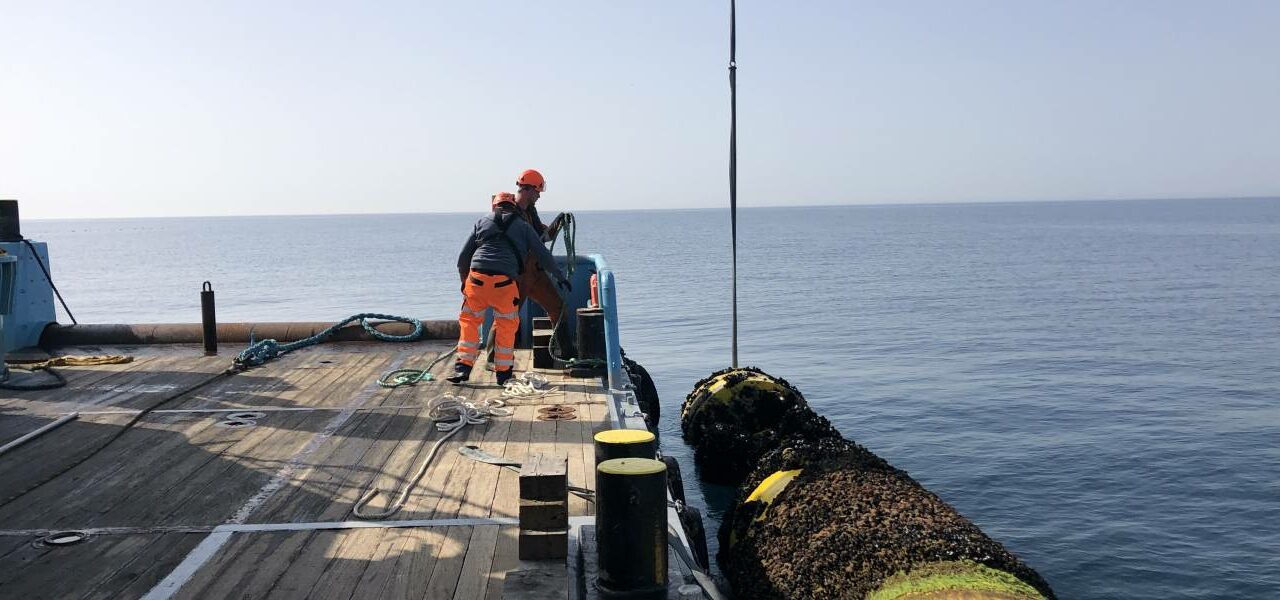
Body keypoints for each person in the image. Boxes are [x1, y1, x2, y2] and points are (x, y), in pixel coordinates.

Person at [449, 192, 569, 385]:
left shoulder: (481, 222)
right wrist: (560, 276)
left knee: (469, 324)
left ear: (495, 206)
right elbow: (543, 254)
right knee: (506, 326)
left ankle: (462, 369)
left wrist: (465, 282)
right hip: (504, 284)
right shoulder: (523, 226)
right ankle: (503, 376)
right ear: (513, 206)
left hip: (476, 281)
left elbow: (463, 258)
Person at [511, 169, 571, 343]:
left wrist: (558, 224)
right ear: (528, 189)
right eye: (537, 191)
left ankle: (565, 354)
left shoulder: (531, 211)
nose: (539, 196)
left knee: (558, 309)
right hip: (518, 275)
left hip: (535, 273)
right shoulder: (509, 212)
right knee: (508, 317)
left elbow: (543, 236)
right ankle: (496, 359)